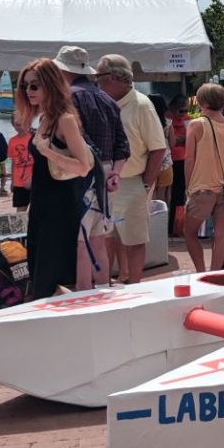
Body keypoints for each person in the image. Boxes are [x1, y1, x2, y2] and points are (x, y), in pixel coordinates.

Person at [16, 59, 94, 298]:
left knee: (49, 274)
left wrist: (47, 151)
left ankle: (56, 325)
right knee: (39, 269)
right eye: (25, 86)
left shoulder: (64, 119)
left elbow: (83, 167)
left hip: (60, 207)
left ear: (50, 85)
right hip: (41, 204)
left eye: (34, 86)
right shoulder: (44, 118)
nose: (28, 91)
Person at [54, 46, 129, 289]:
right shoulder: (108, 99)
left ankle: (84, 294)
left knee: (81, 240)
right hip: (107, 172)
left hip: (82, 174)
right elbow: (122, 144)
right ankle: (103, 289)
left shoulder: (69, 99)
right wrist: (115, 172)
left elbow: (81, 143)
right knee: (98, 238)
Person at [95, 54, 166, 284]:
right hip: (106, 182)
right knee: (105, 237)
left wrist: (145, 183)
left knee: (134, 240)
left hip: (132, 180)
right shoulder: (103, 102)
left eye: (99, 77)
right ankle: (105, 284)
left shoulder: (142, 105)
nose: (96, 82)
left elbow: (158, 148)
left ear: (114, 77)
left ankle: (135, 286)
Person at [183, 84, 224, 272]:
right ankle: (215, 273)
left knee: (189, 232)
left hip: (201, 187)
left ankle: (200, 271)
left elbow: (189, 159)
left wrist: (188, 187)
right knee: (221, 233)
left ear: (203, 102)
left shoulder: (196, 124)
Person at [165, 95, 190, 235]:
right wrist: (179, 139)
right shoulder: (166, 118)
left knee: (179, 195)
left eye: (186, 111)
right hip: (168, 161)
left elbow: (190, 139)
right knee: (165, 194)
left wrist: (177, 139)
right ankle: (166, 225)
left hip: (182, 161)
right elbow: (171, 141)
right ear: (172, 109)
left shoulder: (187, 120)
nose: (184, 114)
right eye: (181, 111)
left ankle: (176, 226)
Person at [7, 115, 34, 212]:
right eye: (17, 125)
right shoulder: (12, 141)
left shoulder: (34, 138)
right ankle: (20, 227)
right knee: (20, 209)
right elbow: (13, 161)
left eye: (22, 124)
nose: (20, 127)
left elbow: (39, 161)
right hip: (19, 181)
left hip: (33, 179)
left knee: (36, 209)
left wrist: (31, 178)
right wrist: (12, 181)